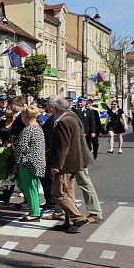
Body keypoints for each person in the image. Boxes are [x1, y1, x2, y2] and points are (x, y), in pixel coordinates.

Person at [45, 96, 91, 233]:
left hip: (65, 164)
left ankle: (79, 218)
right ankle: (69, 221)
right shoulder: (71, 119)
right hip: (72, 162)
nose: (47, 108)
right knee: (68, 192)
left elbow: (63, 146)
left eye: (48, 106)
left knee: (58, 192)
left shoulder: (64, 122)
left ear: (54, 108)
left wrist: (57, 165)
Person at [14, 105, 46, 221]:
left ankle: (34, 213)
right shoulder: (37, 128)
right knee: (25, 185)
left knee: (30, 187)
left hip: (28, 162)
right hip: (36, 161)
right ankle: (35, 209)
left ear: (25, 116)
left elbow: (21, 147)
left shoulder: (28, 129)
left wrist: (13, 147)